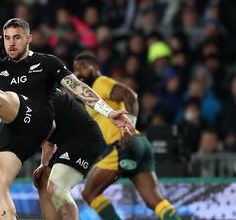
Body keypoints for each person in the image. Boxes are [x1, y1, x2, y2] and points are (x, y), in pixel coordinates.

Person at [0, 17, 133, 220]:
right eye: (7, 38)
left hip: (78, 134)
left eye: (17, 37)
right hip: (35, 128)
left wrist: (108, 112)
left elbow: (77, 87)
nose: (12, 42)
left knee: (56, 189)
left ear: (29, 39)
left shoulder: (46, 62)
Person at [73, 51, 181, 220]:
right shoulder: (91, 94)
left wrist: (128, 128)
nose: (78, 73)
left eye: (83, 67)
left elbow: (130, 95)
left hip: (123, 144)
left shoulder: (100, 83)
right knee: (155, 201)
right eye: (76, 70)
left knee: (89, 193)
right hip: (140, 145)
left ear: (95, 68)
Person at [31, 89, 105, 220]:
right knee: (43, 180)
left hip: (85, 137)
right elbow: (48, 142)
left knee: (58, 189)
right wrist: (44, 164)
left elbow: (49, 128)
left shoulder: (36, 91)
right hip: (66, 141)